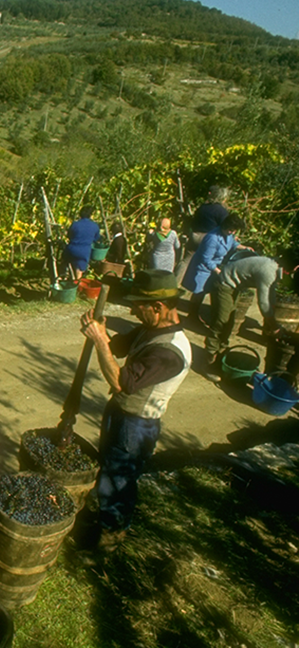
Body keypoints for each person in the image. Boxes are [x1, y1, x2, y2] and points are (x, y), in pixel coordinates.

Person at [78, 270, 191, 550]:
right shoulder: (151, 328)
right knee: (109, 470)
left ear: (158, 307)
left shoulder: (170, 352)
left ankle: (110, 538)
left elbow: (120, 382)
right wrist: (101, 332)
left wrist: (99, 341)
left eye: (138, 307)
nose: (132, 311)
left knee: (118, 480)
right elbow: (118, 346)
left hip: (136, 426)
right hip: (120, 414)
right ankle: (105, 517)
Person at [203, 249, 283, 367]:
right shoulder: (268, 270)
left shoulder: (275, 267)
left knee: (229, 322)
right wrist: (274, 326)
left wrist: (272, 320)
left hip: (233, 286)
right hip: (223, 283)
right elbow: (263, 304)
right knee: (221, 322)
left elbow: (271, 296)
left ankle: (220, 353)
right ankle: (208, 361)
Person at [181, 213, 244, 323]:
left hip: (215, 265)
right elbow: (206, 259)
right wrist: (217, 271)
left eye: (234, 231)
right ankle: (192, 315)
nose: (232, 232)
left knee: (208, 290)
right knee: (199, 292)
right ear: (225, 226)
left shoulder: (228, 234)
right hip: (203, 267)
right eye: (230, 230)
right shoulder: (212, 238)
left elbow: (231, 242)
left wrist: (242, 247)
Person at [62, 205, 100, 281]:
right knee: (79, 270)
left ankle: (63, 276)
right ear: (90, 215)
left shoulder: (75, 224)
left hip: (72, 249)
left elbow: (69, 235)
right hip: (84, 250)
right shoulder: (95, 226)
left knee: (65, 261)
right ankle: (76, 286)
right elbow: (96, 239)